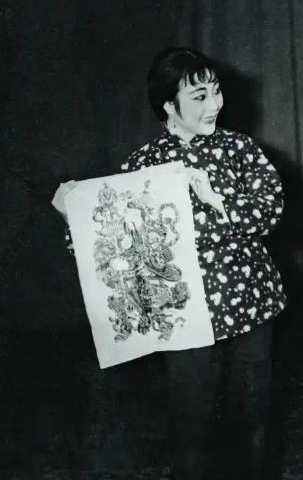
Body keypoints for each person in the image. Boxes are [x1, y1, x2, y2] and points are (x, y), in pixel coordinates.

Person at [54, 47, 286, 480]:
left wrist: (216, 199)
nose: (214, 104)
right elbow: (110, 251)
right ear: (168, 105)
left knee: (254, 423)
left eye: (216, 91)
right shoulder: (142, 166)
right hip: (185, 321)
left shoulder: (239, 149)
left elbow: (269, 212)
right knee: (192, 432)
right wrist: (75, 216)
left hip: (250, 309)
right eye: (199, 96)